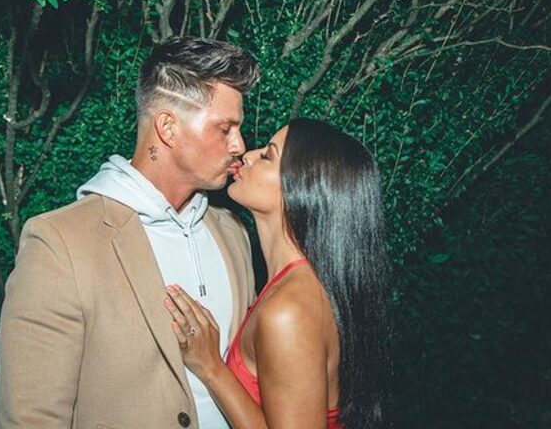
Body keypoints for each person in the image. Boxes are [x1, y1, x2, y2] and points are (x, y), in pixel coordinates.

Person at [0, 37, 260, 428]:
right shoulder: (59, 243)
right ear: (168, 128)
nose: (239, 145)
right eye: (225, 128)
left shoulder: (233, 233)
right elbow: (32, 418)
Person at [164, 119, 393, 429]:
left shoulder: (289, 311)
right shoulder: (296, 287)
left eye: (267, 156)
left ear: (301, 187)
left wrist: (211, 367)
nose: (248, 155)